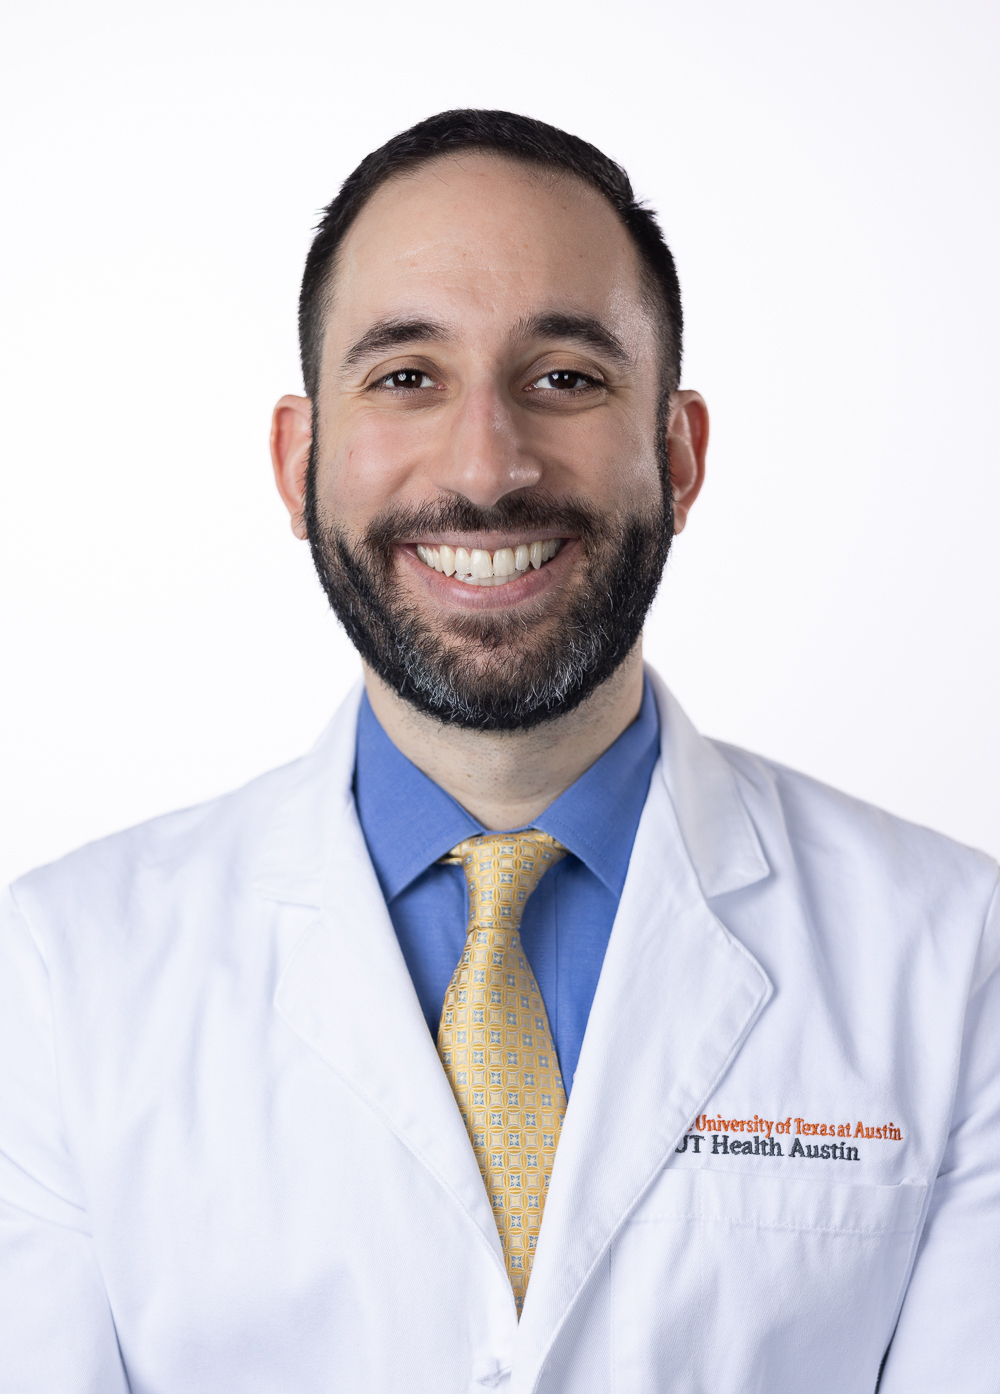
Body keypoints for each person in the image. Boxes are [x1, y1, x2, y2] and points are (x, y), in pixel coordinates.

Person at [1, 109, 997, 1394]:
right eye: (406, 376)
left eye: (566, 377)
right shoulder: (57, 979)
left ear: (679, 455)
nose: (486, 466)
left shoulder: (957, 959)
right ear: (300, 460)